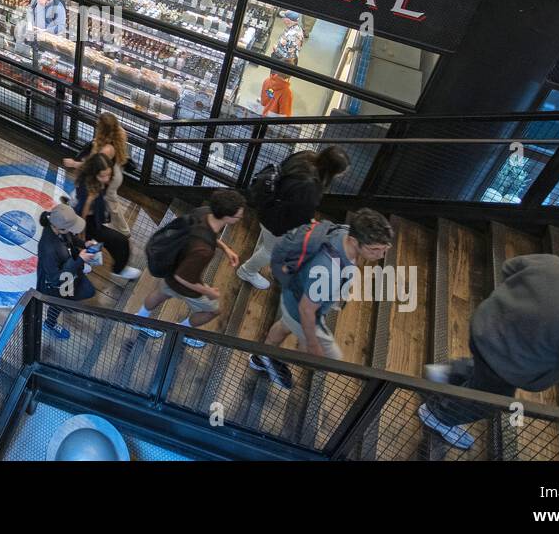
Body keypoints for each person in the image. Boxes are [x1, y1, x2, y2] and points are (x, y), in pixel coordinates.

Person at [418, 256, 559, 450]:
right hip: (506, 366)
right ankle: (439, 416)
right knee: (486, 400)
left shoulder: (556, 265)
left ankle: (450, 374)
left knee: (481, 370)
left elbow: (510, 267)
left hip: (484, 328)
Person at [249, 208, 394, 386]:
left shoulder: (344, 231)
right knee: (329, 358)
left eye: (384, 248)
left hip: (297, 292)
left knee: (285, 324)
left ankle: (262, 356)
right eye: (375, 249)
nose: (381, 255)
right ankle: (267, 359)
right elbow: (306, 309)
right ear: (354, 241)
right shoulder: (327, 272)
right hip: (302, 307)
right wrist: (312, 343)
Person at [133, 189, 246, 347]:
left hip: (173, 264)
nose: (240, 217)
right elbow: (183, 278)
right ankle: (182, 331)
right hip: (183, 281)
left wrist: (225, 248)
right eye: (238, 216)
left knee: (161, 293)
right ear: (226, 216)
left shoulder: (205, 212)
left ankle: (140, 318)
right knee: (213, 311)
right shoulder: (203, 250)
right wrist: (208, 291)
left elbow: (204, 233)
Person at [237, 146, 350, 290]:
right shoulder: (310, 187)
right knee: (270, 251)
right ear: (333, 170)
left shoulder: (306, 156)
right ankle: (247, 271)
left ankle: (267, 250)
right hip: (274, 220)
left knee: (270, 245)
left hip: (267, 206)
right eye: (342, 172)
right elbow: (298, 218)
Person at [73, 153, 143, 282]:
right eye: (102, 176)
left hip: (95, 218)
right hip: (87, 222)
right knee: (120, 241)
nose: (106, 179)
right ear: (94, 173)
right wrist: (81, 233)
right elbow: (83, 212)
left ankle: (86, 262)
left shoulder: (97, 180)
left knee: (105, 242)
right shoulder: (88, 191)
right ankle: (116, 270)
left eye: (108, 175)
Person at [63, 111, 133, 234]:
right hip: (115, 170)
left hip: (109, 175)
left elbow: (91, 165)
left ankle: (123, 230)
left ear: (103, 129)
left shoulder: (106, 150)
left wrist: (73, 163)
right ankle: (75, 205)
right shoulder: (119, 132)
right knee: (108, 199)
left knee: (109, 202)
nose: (96, 124)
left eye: (98, 125)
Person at [37, 202, 98, 340]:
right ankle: (49, 324)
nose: (74, 230)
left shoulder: (57, 227)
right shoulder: (48, 249)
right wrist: (79, 260)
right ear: (59, 228)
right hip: (57, 283)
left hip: (68, 269)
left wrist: (84, 245)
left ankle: (66, 304)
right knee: (59, 302)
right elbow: (55, 279)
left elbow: (70, 237)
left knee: (86, 292)